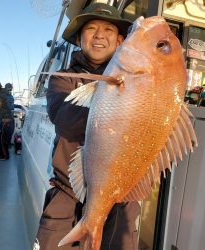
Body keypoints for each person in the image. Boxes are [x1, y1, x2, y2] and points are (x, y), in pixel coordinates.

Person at [33, 3, 141, 250]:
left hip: (120, 197)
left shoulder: (136, 80)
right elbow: (63, 119)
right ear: (80, 38)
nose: (99, 35)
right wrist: (120, 108)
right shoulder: (63, 78)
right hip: (67, 194)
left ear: (121, 39)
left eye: (108, 30)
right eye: (91, 28)